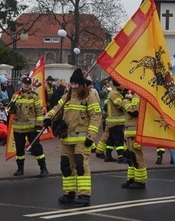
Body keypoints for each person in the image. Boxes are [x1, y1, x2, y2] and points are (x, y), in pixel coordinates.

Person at [44, 68, 101, 207]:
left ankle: (84, 195)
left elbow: (95, 117)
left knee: (81, 165)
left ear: (81, 85)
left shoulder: (89, 97)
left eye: (76, 84)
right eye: (72, 83)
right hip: (66, 138)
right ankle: (69, 193)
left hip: (82, 139)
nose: (74, 86)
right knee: (66, 166)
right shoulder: (67, 97)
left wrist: (91, 136)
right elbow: (56, 109)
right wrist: (47, 118)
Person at [9, 76, 49, 178]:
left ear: (30, 85)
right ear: (21, 84)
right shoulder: (15, 96)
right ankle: (20, 169)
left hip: (32, 128)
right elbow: (10, 111)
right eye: (24, 83)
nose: (26, 85)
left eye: (28, 84)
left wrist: (39, 126)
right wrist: (11, 108)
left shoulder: (35, 96)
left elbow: (40, 112)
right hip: (18, 128)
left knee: (37, 148)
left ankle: (43, 168)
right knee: (19, 150)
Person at [121, 90, 147, 188]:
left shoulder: (137, 95)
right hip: (130, 132)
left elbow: (134, 111)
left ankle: (140, 181)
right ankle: (131, 179)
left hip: (136, 132)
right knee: (130, 157)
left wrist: (126, 101)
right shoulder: (132, 95)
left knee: (137, 157)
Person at [98, 79, 126, 163]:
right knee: (119, 139)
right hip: (116, 121)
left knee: (111, 140)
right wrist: (127, 101)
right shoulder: (114, 93)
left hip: (113, 121)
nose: (123, 86)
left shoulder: (115, 93)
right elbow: (119, 104)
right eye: (122, 84)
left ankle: (108, 155)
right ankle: (121, 157)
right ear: (119, 85)